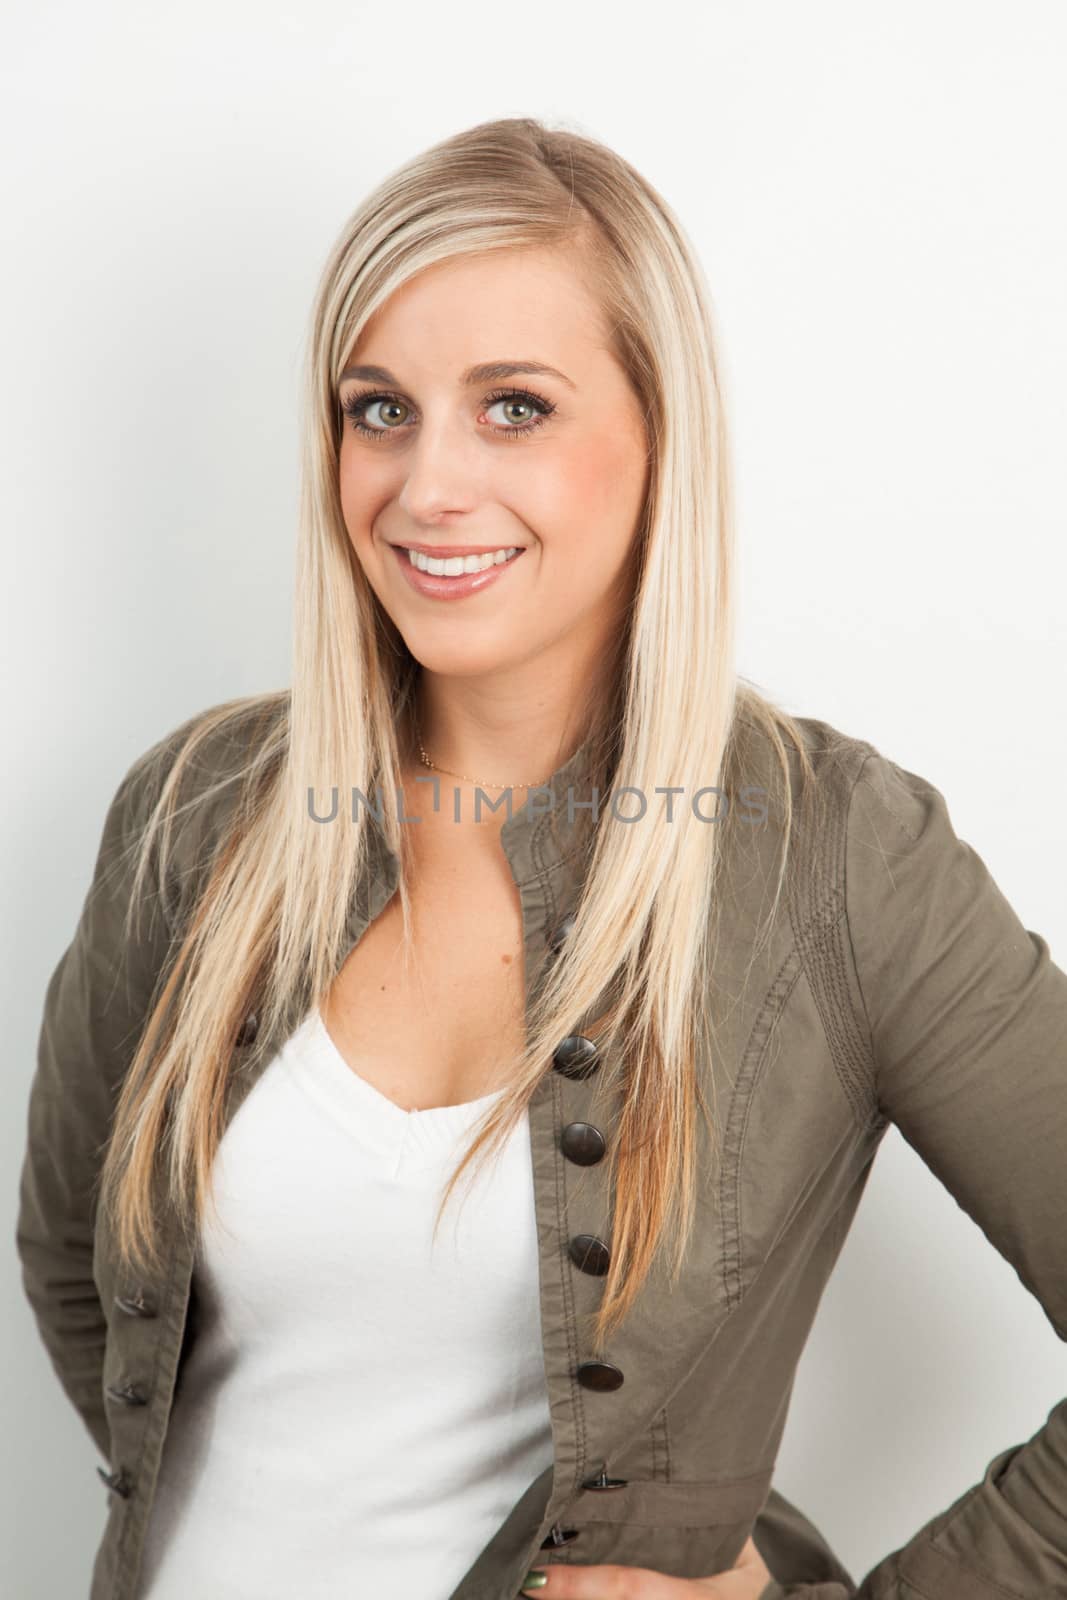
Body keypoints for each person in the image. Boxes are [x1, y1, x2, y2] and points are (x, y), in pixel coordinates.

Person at [17, 116, 1066, 1600]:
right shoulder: (196, 816)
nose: (426, 487)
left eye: (514, 408)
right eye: (379, 409)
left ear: (659, 436)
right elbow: (80, 1266)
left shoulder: (838, 856)